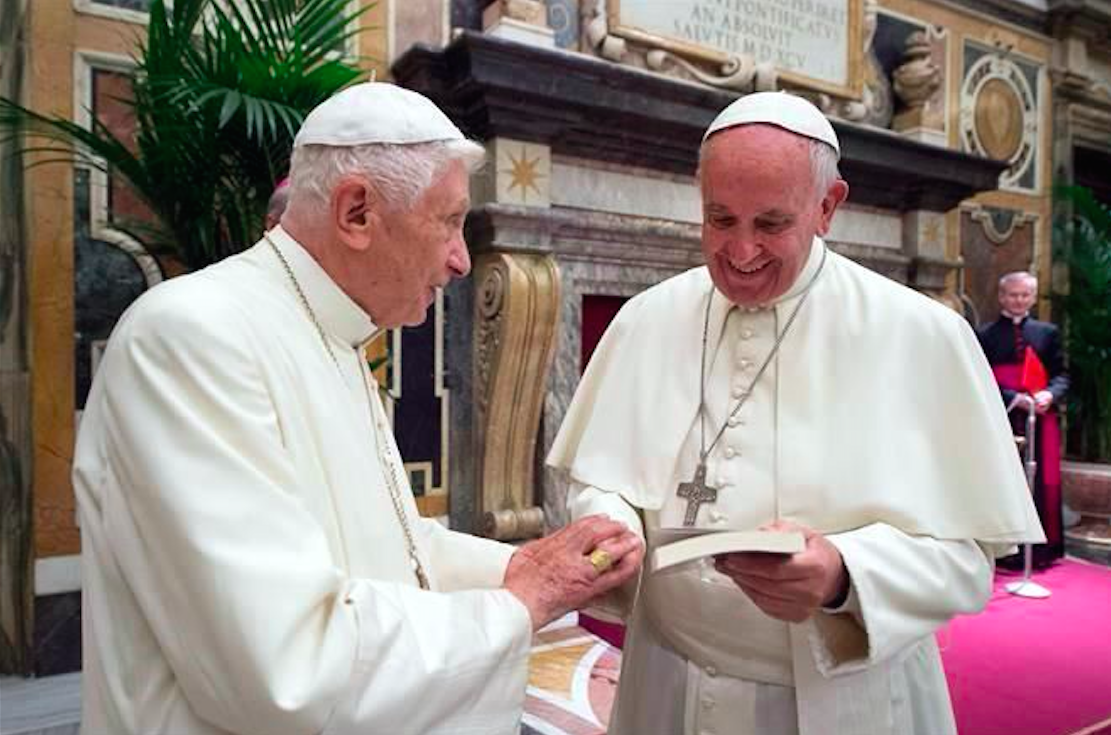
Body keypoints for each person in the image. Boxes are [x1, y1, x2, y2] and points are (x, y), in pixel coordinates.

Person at [73, 82, 643, 735]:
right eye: (450, 220)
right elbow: (282, 665)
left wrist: (516, 566)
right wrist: (522, 600)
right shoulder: (191, 337)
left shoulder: (337, 335)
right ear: (356, 212)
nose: (461, 260)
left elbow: (387, 543)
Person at [548, 92, 1043, 735]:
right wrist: (610, 523)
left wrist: (842, 576)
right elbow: (600, 477)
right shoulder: (648, 317)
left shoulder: (920, 335)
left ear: (828, 206)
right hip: (665, 682)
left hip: (839, 703)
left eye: (771, 224)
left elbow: (969, 559)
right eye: (719, 219)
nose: (741, 249)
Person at [977, 271, 1069, 567]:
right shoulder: (984, 334)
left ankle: (1041, 551)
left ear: (1032, 296)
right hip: (1002, 414)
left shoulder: (1047, 332)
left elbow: (1063, 374)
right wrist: (1013, 399)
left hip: (1040, 417)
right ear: (1002, 296)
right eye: (1013, 295)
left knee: (1040, 481)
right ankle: (1005, 551)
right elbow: (979, 377)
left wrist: (1049, 395)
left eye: (1025, 295)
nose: (1019, 300)